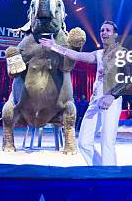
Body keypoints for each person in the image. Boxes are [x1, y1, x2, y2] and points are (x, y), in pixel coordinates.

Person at [40, 20, 126, 166]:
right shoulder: (98, 54)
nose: (104, 33)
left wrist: (112, 95)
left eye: (107, 30)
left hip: (111, 99)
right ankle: (101, 170)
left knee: (107, 142)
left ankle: (109, 178)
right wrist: (55, 47)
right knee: (84, 142)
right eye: (102, 30)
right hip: (95, 100)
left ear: (115, 35)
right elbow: (77, 56)